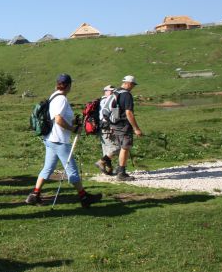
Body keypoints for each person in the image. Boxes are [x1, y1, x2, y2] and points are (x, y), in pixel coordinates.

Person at [25, 74, 102, 208]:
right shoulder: (61, 99)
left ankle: (34, 195)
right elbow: (58, 119)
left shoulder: (54, 96)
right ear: (68, 85)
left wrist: (73, 122)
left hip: (50, 138)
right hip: (59, 140)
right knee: (72, 169)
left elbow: (59, 118)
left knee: (48, 168)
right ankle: (84, 197)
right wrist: (72, 128)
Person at [112, 75, 143, 181]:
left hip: (115, 123)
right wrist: (136, 128)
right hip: (124, 125)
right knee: (126, 147)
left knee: (122, 147)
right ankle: (121, 173)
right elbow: (128, 112)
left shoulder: (116, 92)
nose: (133, 87)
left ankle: (119, 169)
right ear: (128, 83)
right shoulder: (126, 95)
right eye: (133, 85)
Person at [94, 85, 121, 175]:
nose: (113, 92)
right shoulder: (111, 101)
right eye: (111, 91)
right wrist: (114, 125)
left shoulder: (101, 101)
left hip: (101, 127)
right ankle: (101, 162)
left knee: (106, 149)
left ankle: (108, 170)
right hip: (108, 126)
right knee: (118, 148)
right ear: (105, 91)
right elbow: (115, 115)